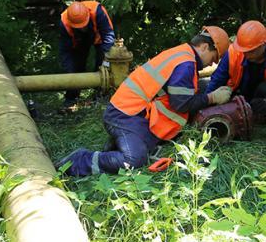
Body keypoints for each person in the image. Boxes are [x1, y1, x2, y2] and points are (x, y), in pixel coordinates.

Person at [57, 26, 233, 176]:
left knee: (143, 149)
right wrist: (212, 98)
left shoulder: (182, 55)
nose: (212, 64)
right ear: (203, 47)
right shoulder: (186, 64)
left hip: (131, 113)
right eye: (214, 57)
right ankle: (80, 160)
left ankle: (118, 145)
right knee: (133, 160)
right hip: (125, 116)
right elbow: (181, 103)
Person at [205, 20, 266, 120]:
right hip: (237, 93)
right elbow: (217, 79)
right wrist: (206, 100)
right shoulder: (232, 52)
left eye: (250, 51)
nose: (246, 55)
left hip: (262, 94)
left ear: (261, 45)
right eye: (244, 51)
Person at [59, 0, 115, 109]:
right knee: (73, 68)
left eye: (82, 26)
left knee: (102, 65)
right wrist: (69, 71)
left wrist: (105, 62)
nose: (81, 28)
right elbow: (66, 50)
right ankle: (70, 99)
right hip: (77, 41)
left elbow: (108, 36)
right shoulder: (64, 22)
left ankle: (100, 95)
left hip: (99, 39)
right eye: (78, 26)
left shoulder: (98, 11)